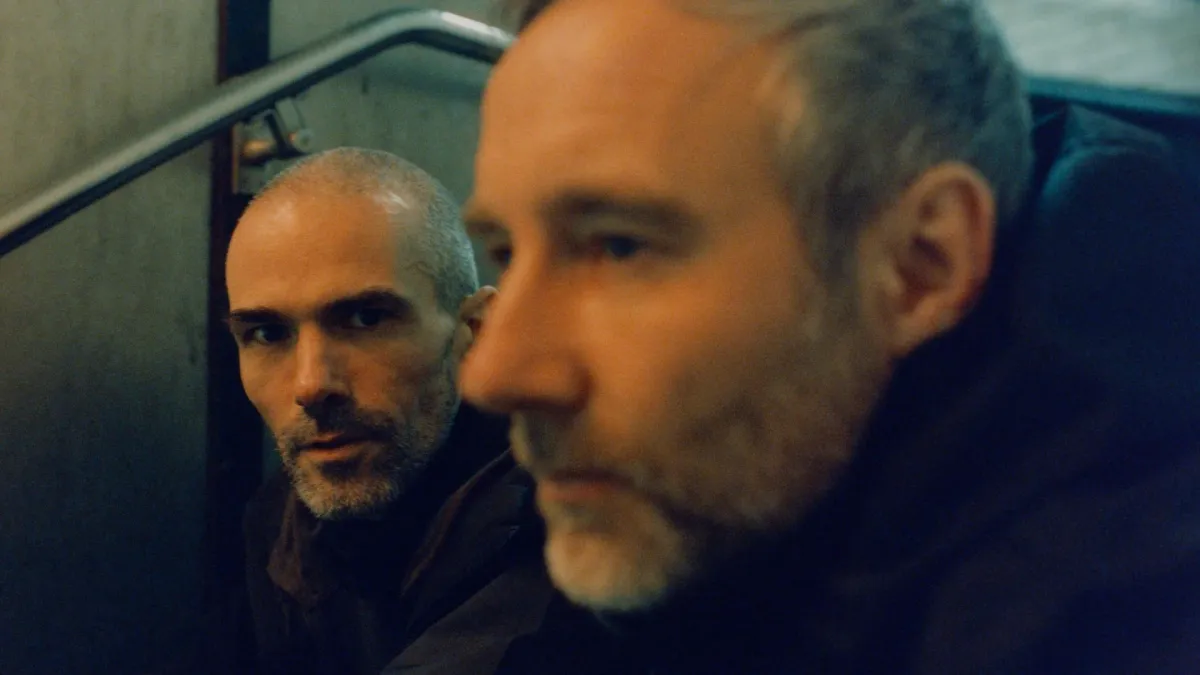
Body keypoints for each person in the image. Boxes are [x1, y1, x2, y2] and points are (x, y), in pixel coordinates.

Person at [459, 0, 1200, 673]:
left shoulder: (1129, 622)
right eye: (506, 252)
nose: (492, 372)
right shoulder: (703, 516)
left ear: (919, 265)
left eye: (620, 246)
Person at [221, 147, 554, 675]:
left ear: (477, 332)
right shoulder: (282, 519)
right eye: (267, 333)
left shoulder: (572, 527)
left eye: (366, 319)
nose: (311, 385)